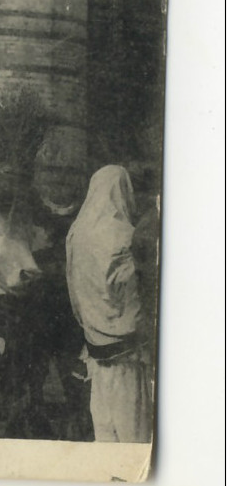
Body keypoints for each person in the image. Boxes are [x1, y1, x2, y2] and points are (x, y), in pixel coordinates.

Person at [66, 165, 153, 443]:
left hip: (94, 347)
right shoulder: (126, 237)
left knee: (104, 434)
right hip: (129, 354)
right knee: (134, 435)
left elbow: (74, 294)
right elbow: (135, 301)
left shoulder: (76, 234)